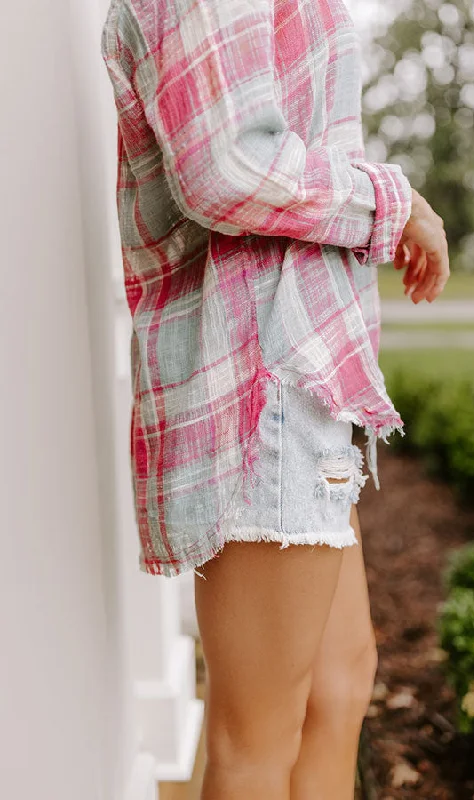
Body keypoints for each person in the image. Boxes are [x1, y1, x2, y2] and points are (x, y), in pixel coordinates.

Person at [101, 0, 449, 796]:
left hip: (300, 377)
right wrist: (394, 203)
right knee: (257, 735)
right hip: (259, 380)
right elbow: (226, 168)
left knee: (338, 683)